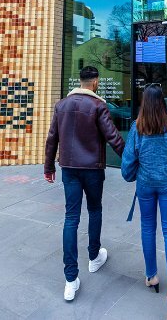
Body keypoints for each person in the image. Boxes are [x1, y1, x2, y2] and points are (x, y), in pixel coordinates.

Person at [44, 66, 125, 301]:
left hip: (68, 168)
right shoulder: (98, 106)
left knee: (71, 218)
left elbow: (52, 138)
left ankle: (70, 280)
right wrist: (132, 163)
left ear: (80, 82)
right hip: (92, 169)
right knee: (95, 210)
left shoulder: (61, 105)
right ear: (95, 82)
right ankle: (94, 257)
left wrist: (49, 167)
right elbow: (114, 138)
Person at [121, 84, 167, 319]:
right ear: (162, 102)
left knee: (147, 229)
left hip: (145, 185)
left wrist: (131, 174)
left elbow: (128, 162)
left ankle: (152, 275)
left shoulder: (137, 127)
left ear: (144, 103)